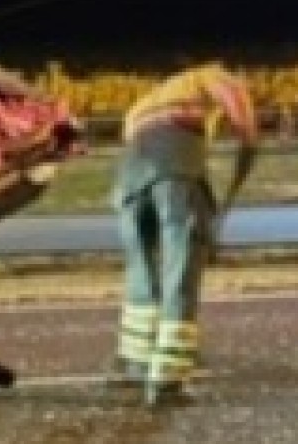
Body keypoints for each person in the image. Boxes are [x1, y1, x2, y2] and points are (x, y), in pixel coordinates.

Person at [109, 62, 259, 408]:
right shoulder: (216, 77)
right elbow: (247, 131)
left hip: (129, 179)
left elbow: (134, 139)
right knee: (180, 270)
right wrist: (233, 187)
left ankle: (135, 362)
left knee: (140, 270)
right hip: (174, 171)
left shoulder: (146, 102)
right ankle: (166, 380)